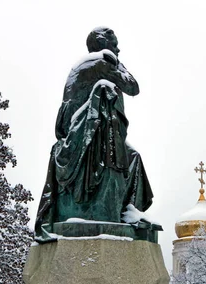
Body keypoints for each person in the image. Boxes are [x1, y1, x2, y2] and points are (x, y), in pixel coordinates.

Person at [35, 27, 153, 238]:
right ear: (102, 45)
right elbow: (133, 87)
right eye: (115, 44)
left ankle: (128, 211)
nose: (119, 48)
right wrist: (115, 60)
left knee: (132, 156)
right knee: (114, 150)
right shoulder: (99, 63)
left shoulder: (87, 63)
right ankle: (108, 210)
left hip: (86, 128)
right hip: (86, 132)